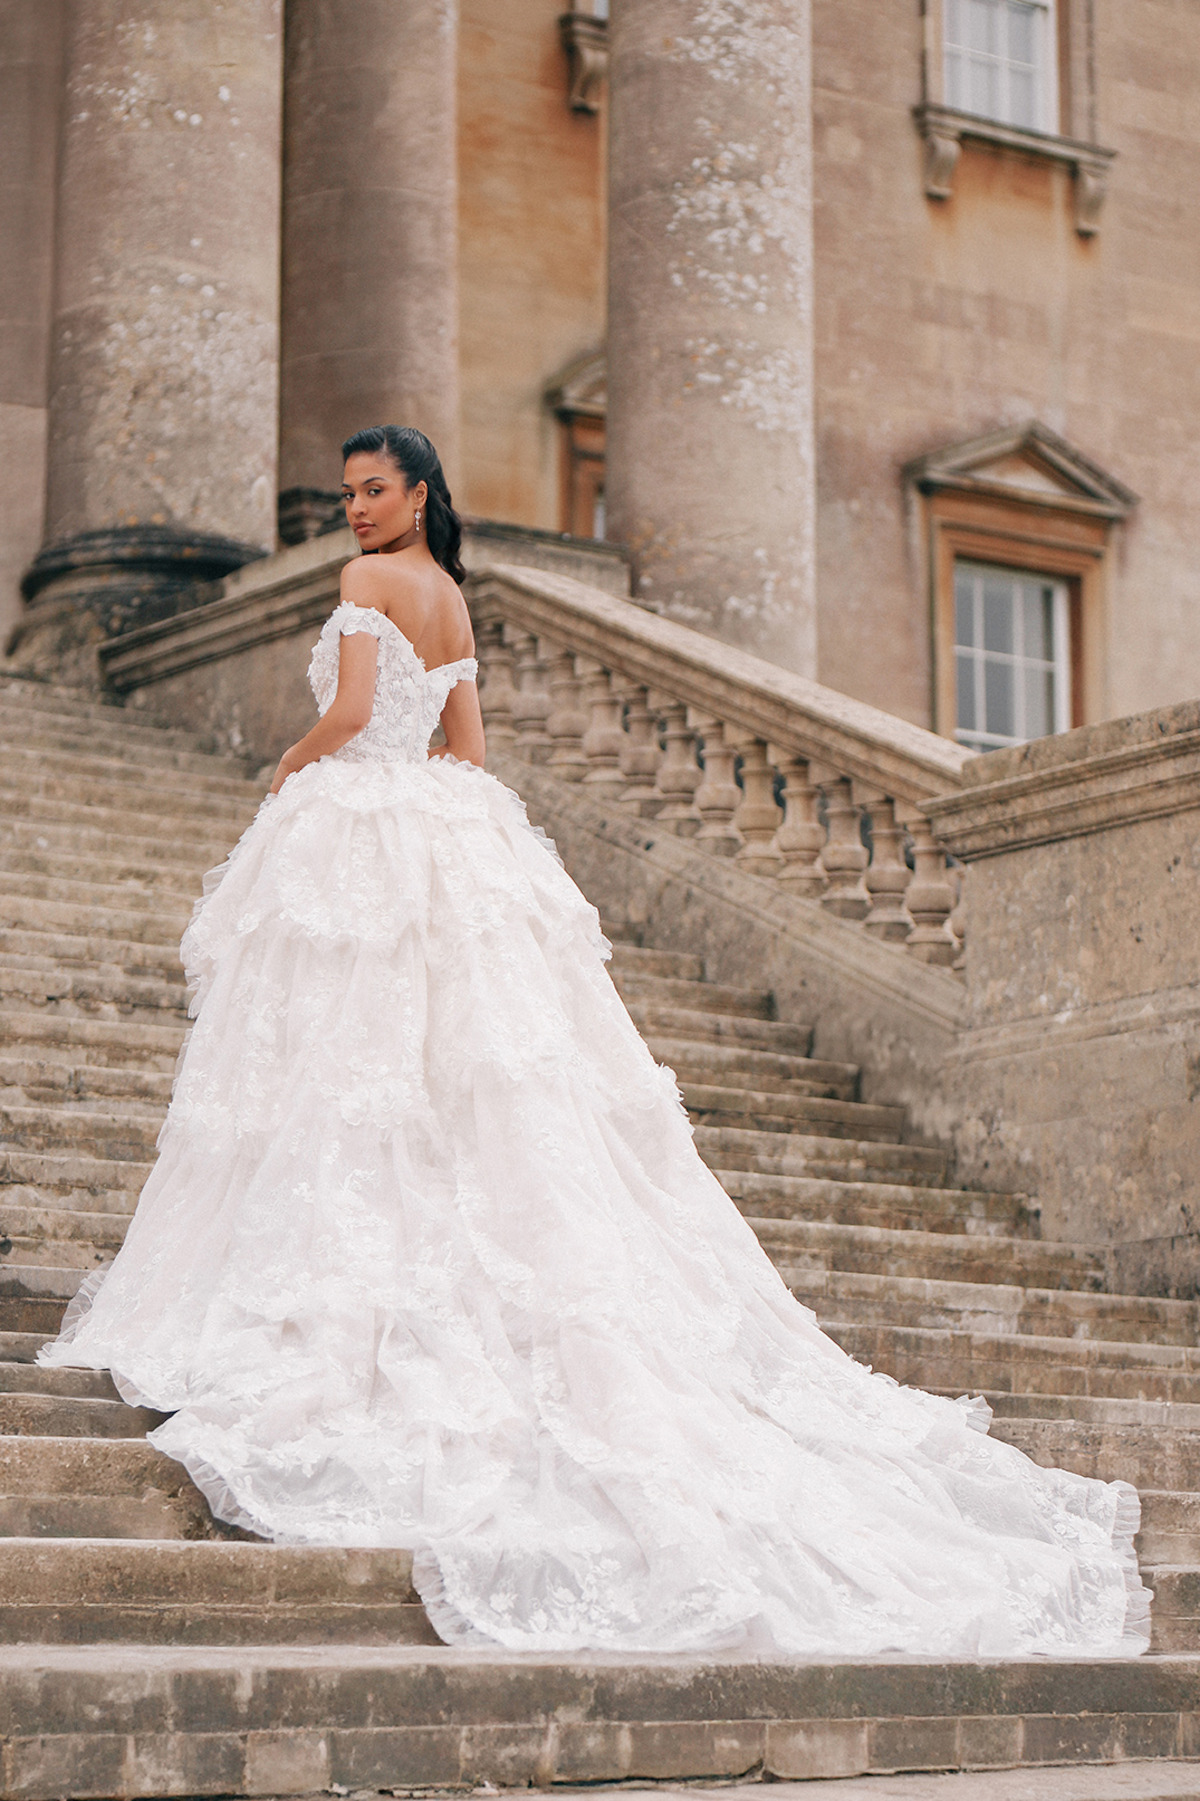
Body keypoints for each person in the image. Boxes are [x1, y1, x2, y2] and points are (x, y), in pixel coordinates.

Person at [40, 425, 1150, 1657]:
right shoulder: (452, 596)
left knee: (343, 1068)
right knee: (453, 1078)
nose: (352, 512)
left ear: (418, 494)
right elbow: (467, 753)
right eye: (346, 495)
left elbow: (355, 712)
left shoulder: (364, 587)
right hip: (448, 839)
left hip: (362, 828)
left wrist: (287, 770)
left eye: (371, 491)